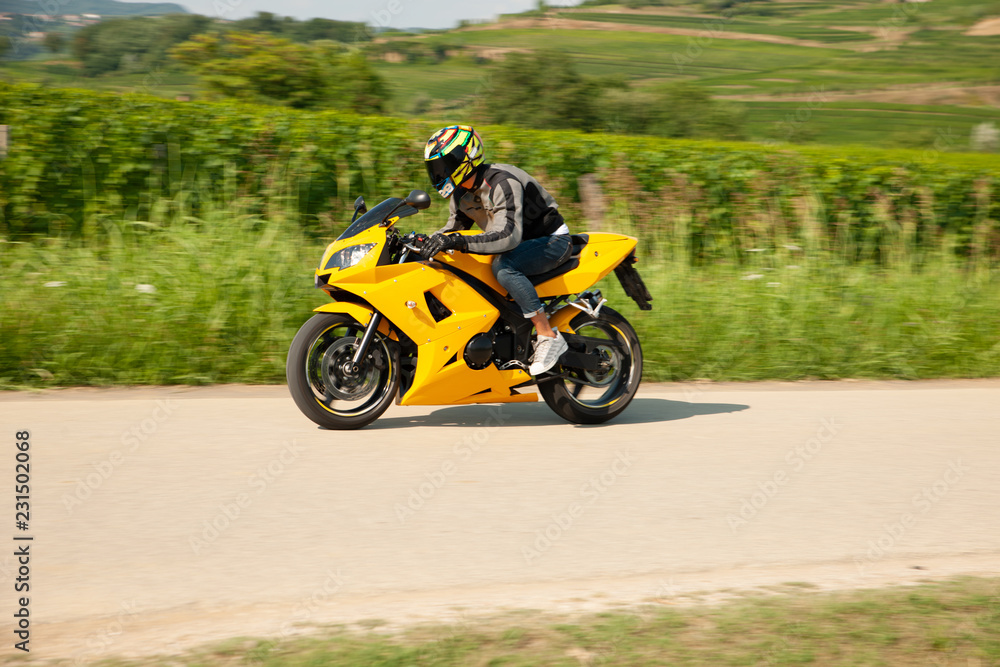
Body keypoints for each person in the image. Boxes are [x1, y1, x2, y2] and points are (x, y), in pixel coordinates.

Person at [419, 125, 570, 376]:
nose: (439, 173)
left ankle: (546, 334)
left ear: (465, 158)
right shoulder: (461, 194)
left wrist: (458, 241)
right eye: (434, 168)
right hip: (518, 246)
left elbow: (509, 235)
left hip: (551, 241)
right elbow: (452, 231)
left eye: (444, 165)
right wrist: (424, 241)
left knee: (505, 267)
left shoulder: (502, 181)